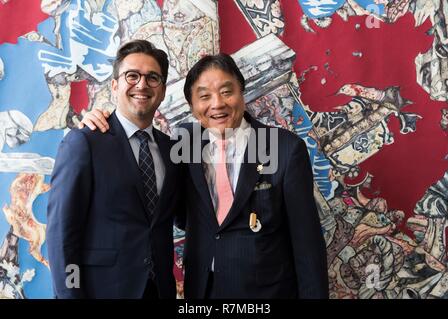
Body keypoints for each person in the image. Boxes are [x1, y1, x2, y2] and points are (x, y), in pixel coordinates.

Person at [81, 53, 329, 299]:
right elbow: (171, 207)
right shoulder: (183, 144)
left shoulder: (282, 147)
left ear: (242, 92)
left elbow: (307, 245)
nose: (217, 104)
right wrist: (101, 121)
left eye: (226, 91)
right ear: (192, 107)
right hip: (202, 291)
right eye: (204, 97)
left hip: (267, 290)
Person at [47, 40, 180, 299]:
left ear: (162, 91)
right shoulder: (84, 142)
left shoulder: (171, 151)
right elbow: (62, 236)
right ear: (115, 85)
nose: (142, 84)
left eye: (153, 78)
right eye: (132, 76)